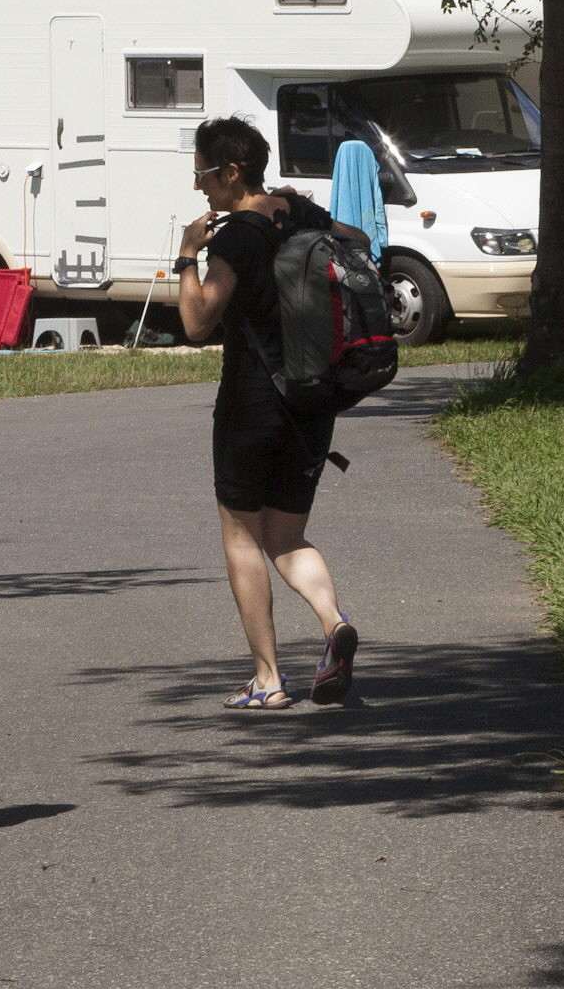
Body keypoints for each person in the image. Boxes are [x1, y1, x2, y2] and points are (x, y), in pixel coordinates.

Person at [176, 115, 363, 710]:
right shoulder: (298, 213)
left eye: (204, 174)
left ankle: (268, 679)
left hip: (251, 401)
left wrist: (187, 256)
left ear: (232, 171)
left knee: (241, 535)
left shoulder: (235, 239)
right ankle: (334, 624)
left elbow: (197, 322)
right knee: (288, 534)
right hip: (312, 401)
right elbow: (356, 242)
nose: (200, 187)